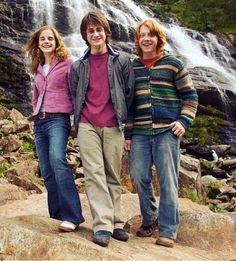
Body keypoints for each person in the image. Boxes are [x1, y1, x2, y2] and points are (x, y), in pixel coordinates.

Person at [124, 19, 198, 248]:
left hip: (167, 132)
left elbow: (191, 97)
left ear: (158, 38)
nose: (146, 39)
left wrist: (183, 121)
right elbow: (129, 105)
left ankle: (167, 230)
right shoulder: (133, 67)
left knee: (167, 181)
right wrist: (128, 134)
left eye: (150, 35)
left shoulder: (173, 64)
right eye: (141, 35)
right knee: (139, 176)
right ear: (138, 40)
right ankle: (149, 218)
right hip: (140, 133)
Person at [69, 11, 134, 247]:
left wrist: (130, 128)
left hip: (114, 124)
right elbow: (75, 94)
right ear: (85, 36)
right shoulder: (78, 66)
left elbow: (129, 95)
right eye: (90, 30)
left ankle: (117, 221)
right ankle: (102, 225)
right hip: (86, 124)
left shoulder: (122, 61)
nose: (95, 34)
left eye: (98, 30)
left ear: (106, 32)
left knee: (112, 175)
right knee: (94, 174)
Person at [24, 25, 84, 232]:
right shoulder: (38, 65)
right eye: (43, 39)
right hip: (39, 121)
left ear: (57, 41)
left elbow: (76, 92)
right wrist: (34, 111)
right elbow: (36, 93)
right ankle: (56, 215)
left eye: (50, 38)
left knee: (58, 161)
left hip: (58, 119)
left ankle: (73, 216)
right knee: (47, 170)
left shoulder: (68, 64)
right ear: (38, 43)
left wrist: (76, 120)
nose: (46, 41)